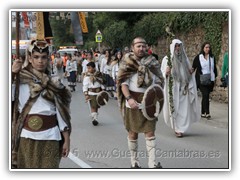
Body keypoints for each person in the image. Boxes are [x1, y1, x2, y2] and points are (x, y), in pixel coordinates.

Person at [11, 40, 71, 168]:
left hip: (51, 137)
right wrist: (12, 73)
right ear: (30, 59)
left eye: (43, 57)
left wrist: (67, 139)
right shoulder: (19, 80)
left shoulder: (55, 84)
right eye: (36, 57)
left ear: (48, 59)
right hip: (26, 136)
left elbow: (62, 115)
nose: (40, 61)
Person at [117, 37, 164, 168]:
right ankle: (135, 162)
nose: (141, 48)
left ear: (146, 47)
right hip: (132, 101)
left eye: (143, 46)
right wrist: (129, 98)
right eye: (138, 46)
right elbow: (123, 84)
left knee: (150, 131)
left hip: (149, 102)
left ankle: (152, 163)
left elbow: (159, 80)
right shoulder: (127, 62)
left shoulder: (152, 61)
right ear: (132, 47)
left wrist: (157, 93)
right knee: (133, 132)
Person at [161, 39, 200, 137]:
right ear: (172, 47)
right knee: (175, 108)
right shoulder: (167, 59)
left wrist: (189, 73)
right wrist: (166, 72)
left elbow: (187, 72)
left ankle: (181, 129)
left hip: (184, 88)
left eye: (179, 46)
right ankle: (177, 127)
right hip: (173, 88)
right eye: (176, 46)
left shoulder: (185, 58)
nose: (178, 48)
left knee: (184, 109)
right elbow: (162, 73)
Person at [192, 42, 217, 119]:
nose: (208, 49)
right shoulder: (198, 57)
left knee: (205, 96)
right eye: (206, 47)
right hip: (201, 79)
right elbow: (193, 68)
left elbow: (214, 68)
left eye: (209, 47)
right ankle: (207, 113)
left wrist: (215, 77)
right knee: (206, 95)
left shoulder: (212, 57)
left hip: (209, 80)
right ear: (203, 48)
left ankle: (202, 113)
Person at [83, 62, 105, 126]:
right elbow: (85, 86)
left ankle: (95, 117)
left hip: (98, 93)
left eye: (89, 68)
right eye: (87, 68)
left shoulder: (98, 75)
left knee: (96, 106)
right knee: (93, 106)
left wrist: (103, 90)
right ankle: (94, 119)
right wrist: (86, 94)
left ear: (94, 68)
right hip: (91, 93)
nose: (88, 69)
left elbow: (102, 83)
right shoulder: (87, 76)